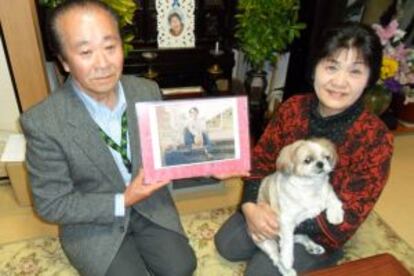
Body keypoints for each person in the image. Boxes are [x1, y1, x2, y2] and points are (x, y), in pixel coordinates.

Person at [20, 1, 196, 275]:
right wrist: (123, 200)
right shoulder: (43, 123)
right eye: (86, 51)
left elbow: (170, 150)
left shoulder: (147, 90)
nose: (103, 63)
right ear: (64, 61)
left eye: (110, 47)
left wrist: (209, 163)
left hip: (149, 205)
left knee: (182, 268)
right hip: (92, 222)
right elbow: (52, 204)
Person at [214, 22, 394, 275]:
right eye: (331, 66)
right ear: (315, 68)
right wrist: (251, 207)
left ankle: (318, 252)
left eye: (355, 72)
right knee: (227, 245)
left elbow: (351, 214)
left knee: (260, 273)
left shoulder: (375, 137)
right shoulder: (293, 108)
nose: (339, 82)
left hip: (321, 224)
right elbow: (262, 161)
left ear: (369, 79)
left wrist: (282, 222)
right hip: (276, 199)